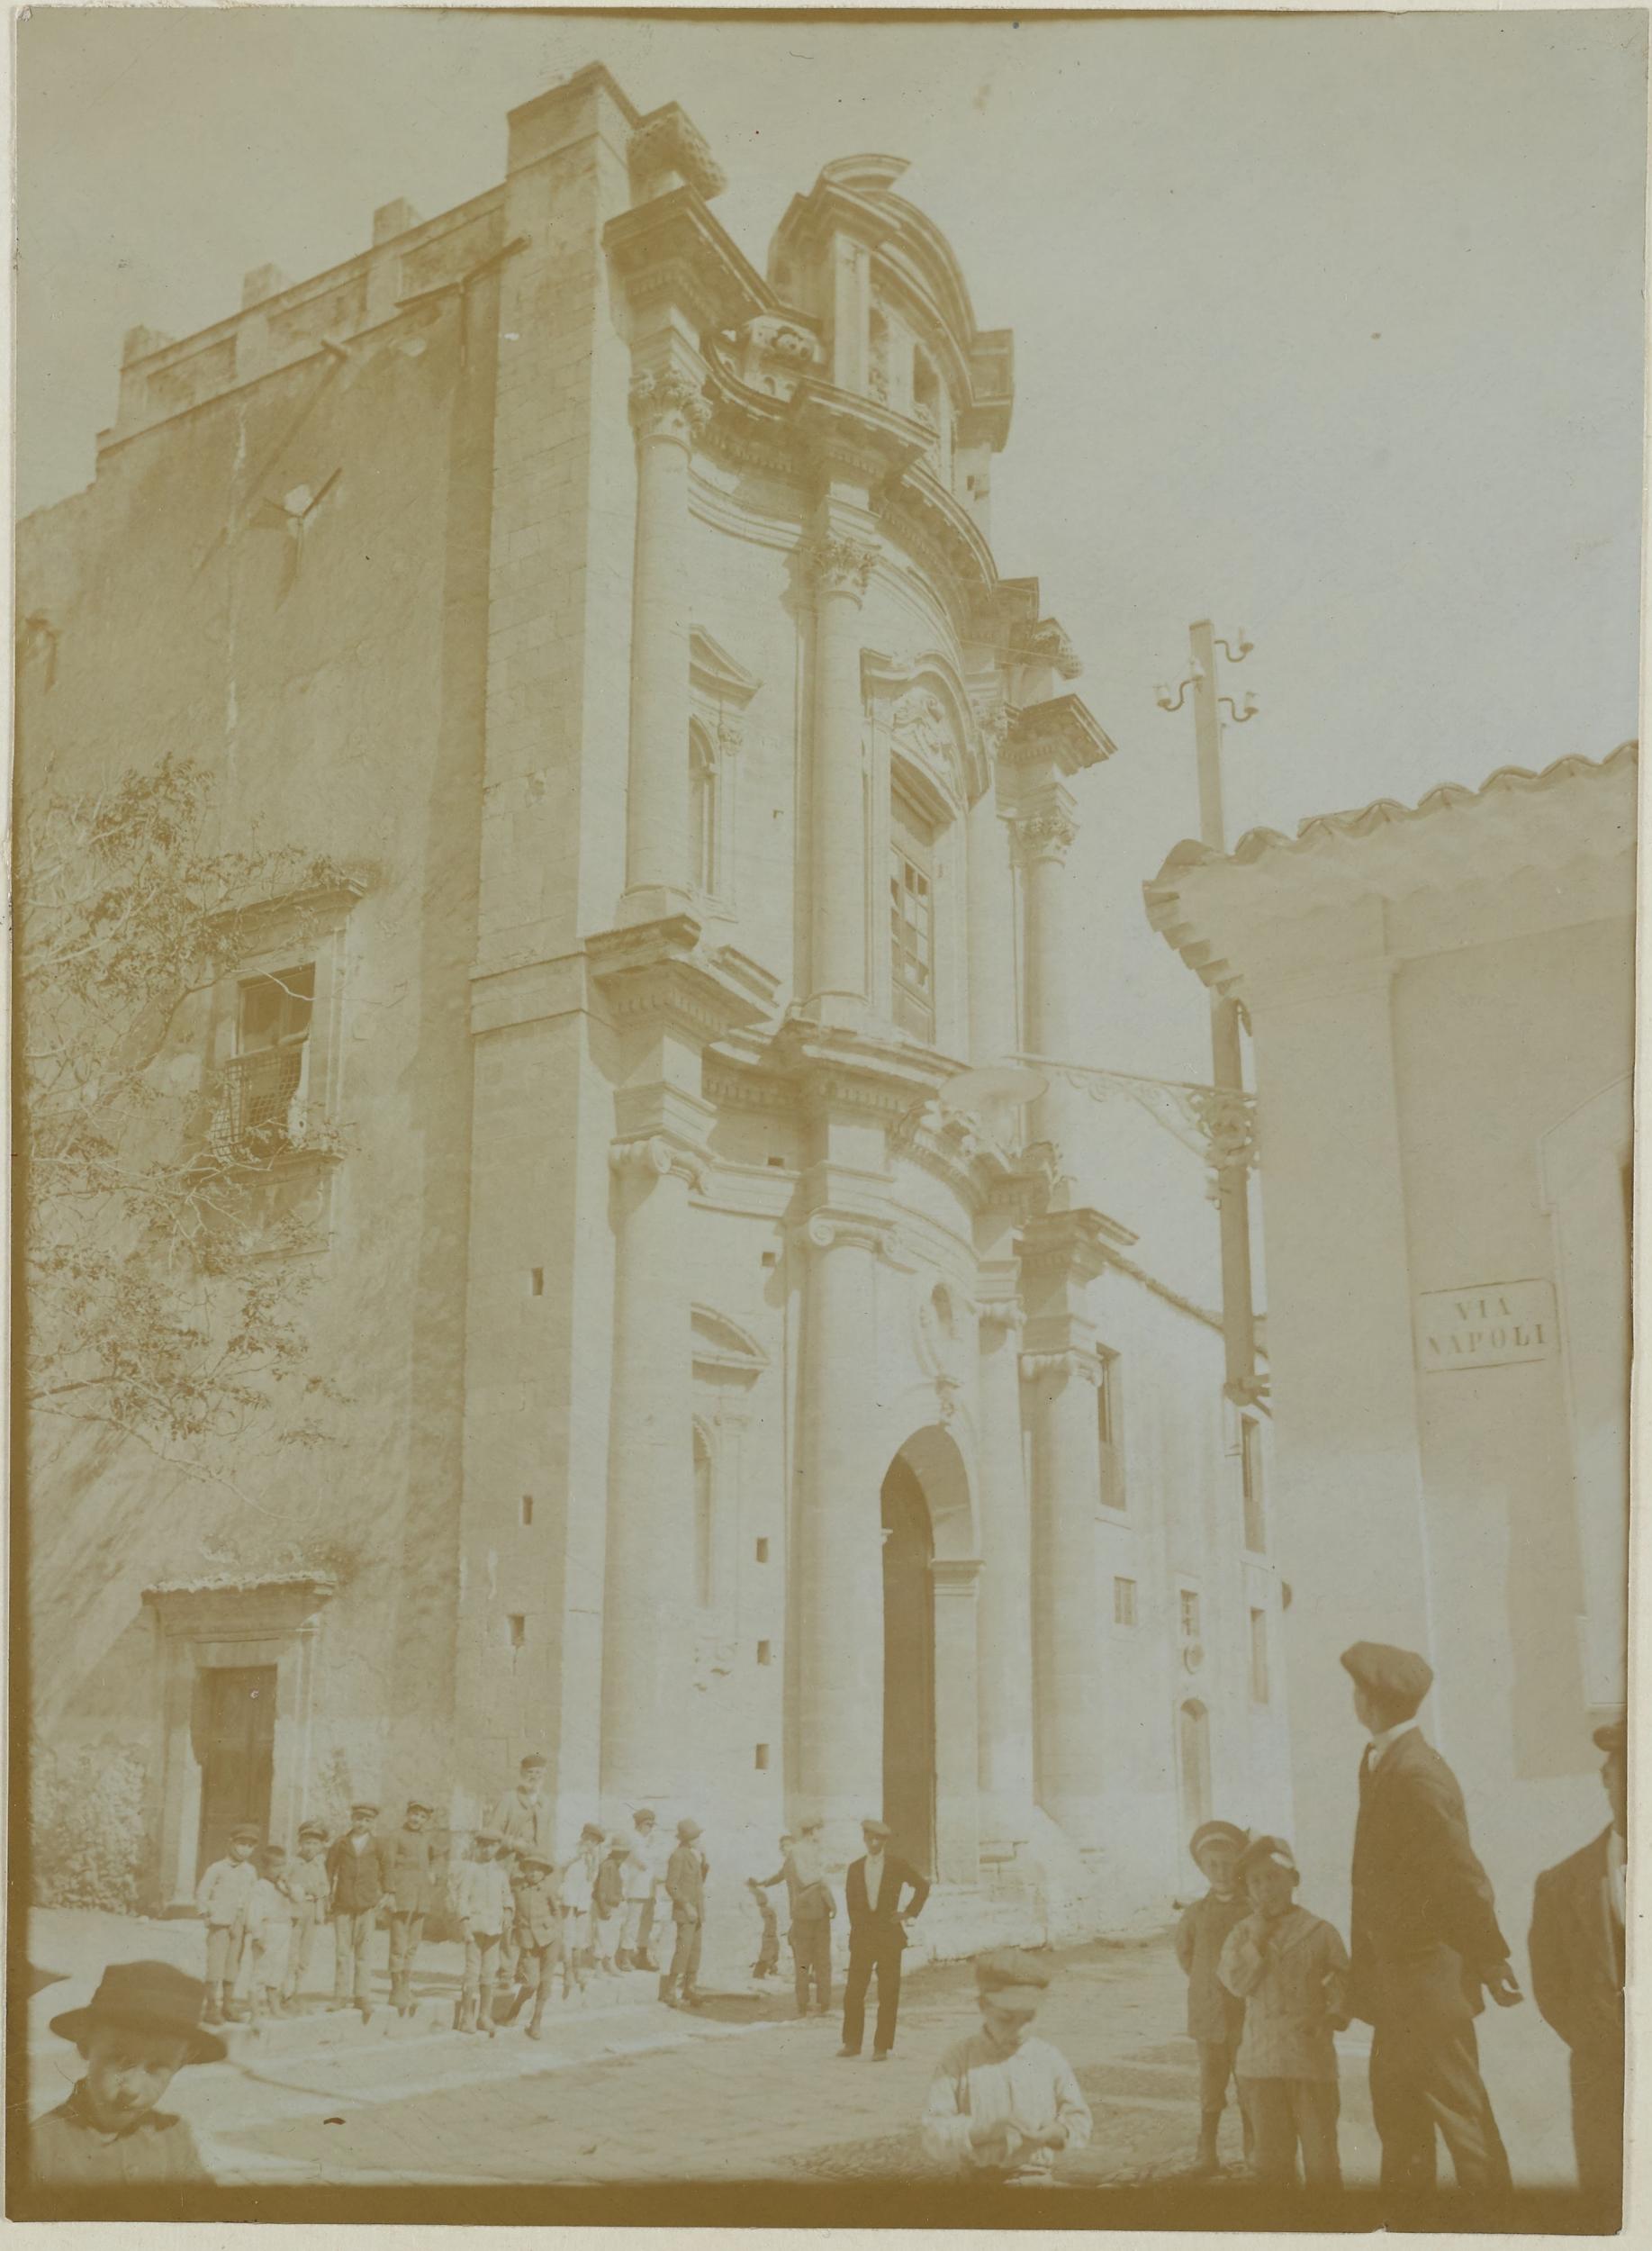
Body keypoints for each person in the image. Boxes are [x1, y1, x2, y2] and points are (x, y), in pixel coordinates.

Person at [1343, 1640, 1520, 2194]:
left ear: (1370, 1701)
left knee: (1464, 2126)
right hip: (1393, 1985)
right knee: (1398, 2124)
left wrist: (1491, 1957)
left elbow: (1459, 1876)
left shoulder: (1416, 1773)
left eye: (1357, 1690)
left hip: (1427, 1986)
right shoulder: (1381, 1761)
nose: (1354, 1698)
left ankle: (1503, 2231)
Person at [1529, 1716, 1627, 2198]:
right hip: (1602, 2079)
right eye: (1626, 1773)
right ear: (1605, 1781)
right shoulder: (1561, 1884)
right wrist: (1597, 2038)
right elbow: (1551, 1988)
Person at [1217, 1834, 1350, 2188]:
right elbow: (1236, 1984)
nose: (1266, 1888)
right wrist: (1256, 1942)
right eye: (1256, 1881)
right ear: (1248, 1891)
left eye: (1274, 1877)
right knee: (1272, 2163)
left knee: (1322, 2162)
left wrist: (1333, 2013)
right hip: (1260, 2063)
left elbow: (1343, 1982)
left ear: (1294, 1879)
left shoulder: (1320, 1932)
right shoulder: (1242, 1934)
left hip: (1309, 2059)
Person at [31, 1960, 221, 2186]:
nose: (132, 2089)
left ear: (180, 2063)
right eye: (119, 2061)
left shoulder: (175, 2139)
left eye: (156, 2068)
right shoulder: (36, 2148)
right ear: (85, 2044)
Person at [921, 1948, 1092, 2185]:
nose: (1019, 2030)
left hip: (1037, 2182)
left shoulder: (1048, 2057)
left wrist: (1053, 2133)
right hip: (978, 2188)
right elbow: (933, 2135)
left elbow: (1078, 2120)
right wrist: (987, 2129)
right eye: (1006, 2019)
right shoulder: (958, 2060)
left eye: (1028, 2019)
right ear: (982, 2005)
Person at [1174, 1818, 1254, 2176]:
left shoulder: (1254, 1910)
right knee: (1211, 2083)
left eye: (1228, 1863)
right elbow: (1187, 1956)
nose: (1221, 1872)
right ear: (1203, 1868)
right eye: (1213, 1865)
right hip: (1209, 2015)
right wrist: (1209, 1986)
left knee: (1250, 2082)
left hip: (1248, 2014)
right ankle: (1206, 2151)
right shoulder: (1196, 1914)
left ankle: (1257, 2151)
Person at [839, 1817, 929, 2061]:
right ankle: (852, 2042)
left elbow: (923, 1886)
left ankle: (881, 2046)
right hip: (863, 1939)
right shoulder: (855, 1868)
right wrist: (858, 1928)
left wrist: (908, 1913)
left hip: (889, 1937)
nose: (873, 1842)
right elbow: (850, 1903)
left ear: (885, 1841)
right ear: (864, 1839)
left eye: (878, 1839)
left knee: (888, 1992)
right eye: (870, 1838)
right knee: (854, 1991)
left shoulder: (897, 1865)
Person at [757, 1815, 836, 2015]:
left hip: (810, 1913)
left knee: (812, 1960)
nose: (822, 1834)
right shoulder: (802, 1852)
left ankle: (813, 2003)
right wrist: (824, 1876)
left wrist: (763, 1883)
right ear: (814, 1831)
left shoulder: (799, 1853)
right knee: (813, 1960)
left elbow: (780, 1875)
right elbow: (805, 1878)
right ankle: (813, 2003)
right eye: (820, 1829)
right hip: (810, 1914)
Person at [488, 1755, 552, 1995]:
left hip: (534, 1872)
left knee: (529, 1919)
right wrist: (514, 1844)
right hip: (511, 1868)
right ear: (522, 1772)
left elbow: (546, 1839)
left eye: (539, 1773)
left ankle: (523, 1969)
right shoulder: (509, 1799)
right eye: (530, 1772)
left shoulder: (546, 1802)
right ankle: (505, 1971)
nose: (534, 1777)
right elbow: (492, 1833)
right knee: (508, 1920)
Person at [327, 1800, 393, 2021]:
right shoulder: (341, 1843)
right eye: (358, 1819)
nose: (361, 1823)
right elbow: (329, 1869)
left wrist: (387, 1893)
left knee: (364, 1953)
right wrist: (328, 1895)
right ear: (351, 1819)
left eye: (367, 1820)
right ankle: (340, 1995)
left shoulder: (378, 1845)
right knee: (342, 1952)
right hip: (343, 1904)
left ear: (373, 1822)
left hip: (366, 1905)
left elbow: (386, 1869)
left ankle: (362, 1995)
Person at [194, 1822, 259, 2027]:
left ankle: (228, 2006)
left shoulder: (250, 1871)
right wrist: (206, 1914)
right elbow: (202, 1893)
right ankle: (212, 2007)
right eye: (241, 1844)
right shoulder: (217, 1868)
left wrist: (252, 1921)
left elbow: (254, 1896)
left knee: (233, 1964)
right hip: (220, 1922)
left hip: (239, 1923)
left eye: (250, 1845)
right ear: (230, 1843)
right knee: (216, 1964)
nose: (245, 1849)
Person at [454, 1825, 513, 2036]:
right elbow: (461, 1898)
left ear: (498, 1848)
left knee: (489, 1972)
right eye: (484, 1846)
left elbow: (507, 1895)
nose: (488, 1850)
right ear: (478, 1847)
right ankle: (467, 2017)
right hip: (475, 1928)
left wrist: (508, 1910)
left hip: (494, 1929)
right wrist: (464, 1922)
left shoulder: (500, 1872)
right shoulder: (470, 1870)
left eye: (492, 1846)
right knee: (472, 1971)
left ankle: (484, 2015)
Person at [384, 1798, 438, 2018]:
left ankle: (406, 1986)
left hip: (421, 1896)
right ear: (407, 1814)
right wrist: (389, 1892)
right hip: (401, 1895)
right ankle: (395, 1989)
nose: (417, 1819)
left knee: (413, 1944)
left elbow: (435, 1858)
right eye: (414, 1814)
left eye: (422, 1816)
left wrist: (433, 1872)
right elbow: (387, 1864)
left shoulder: (426, 1838)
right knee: (399, 1943)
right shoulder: (396, 1836)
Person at [506, 1841, 564, 2040]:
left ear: (544, 1873)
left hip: (550, 1940)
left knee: (545, 1982)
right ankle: (516, 2007)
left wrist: (556, 1930)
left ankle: (536, 2020)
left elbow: (557, 1912)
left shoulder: (548, 1889)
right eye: (530, 1869)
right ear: (525, 1870)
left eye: (538, 1870)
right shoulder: (517, 1887)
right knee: (531, 1983)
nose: (534, 1874)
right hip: (528, 1941)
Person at [244, 1844, 296, 2023]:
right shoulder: (261, 1886)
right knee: (262, 1970)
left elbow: (298, 1898)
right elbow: (254, 1913)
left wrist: (287, 1884)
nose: (280, 1870)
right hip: (267, 1931)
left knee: (278, 1970)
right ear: (264, 1868)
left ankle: (274, 2006)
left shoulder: (284, 1886)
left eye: (283, 1865)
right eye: (275, 1866)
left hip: (283, 1929)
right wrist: (257, 1935)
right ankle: (254, 2010)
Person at [284, 1821, 332, 2009]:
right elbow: (282, 1882)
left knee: (305, 1953)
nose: (311, 1847)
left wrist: (321, 1907)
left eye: (315, 1844)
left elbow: (324, 1887)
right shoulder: (293, 1862)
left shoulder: (319, 1865)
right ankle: (284, 1991)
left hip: (311, 1911)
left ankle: (296, 1990)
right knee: (291, 1951)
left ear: (321, 1846)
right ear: (300, 1843)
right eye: (307, 1843)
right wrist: (294, 1891)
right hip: (295, 1910)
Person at [662, 1818, 709, 2010]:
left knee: (694, 1951)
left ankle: (690, 1988)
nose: (699, 1839)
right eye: (696, 1836)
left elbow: (700, 1882)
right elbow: (671, 1885)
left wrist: (705, 1862)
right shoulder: (678, 1855)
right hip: (686, 1912)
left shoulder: (693, 1855)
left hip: (697, 1911)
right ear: (687, 1838)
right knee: (683, 1950)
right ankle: (671, 1991)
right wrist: (686, 1905)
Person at [560, 1823, 604, 1993]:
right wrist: (579, 1854)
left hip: (583, 1899)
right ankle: (567, 1970)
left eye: (595, 1842)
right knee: (568, 1935)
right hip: (569, 1897)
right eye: (590, 1839)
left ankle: (577, 1968)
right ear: (584, 1837)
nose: (592, 1844)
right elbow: (561, 1863)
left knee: (579, 1937)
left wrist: (593, 1862)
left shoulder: (593, 1856)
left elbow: (592, 1877)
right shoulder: (572, 1849)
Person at [619, 1807, 664, 1973]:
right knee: (632, 1923)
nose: (650, 1828)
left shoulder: (647, 1841)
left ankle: (642, 1955)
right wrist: (655, 1854)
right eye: (647, 1824)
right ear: (638, 1825)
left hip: (649, 1889)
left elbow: (657, 1860)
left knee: (646, 1924)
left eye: (652, 1825)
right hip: (636, 1889)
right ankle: (625, 1957)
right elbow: (643, 1862)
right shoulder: (634, 1840)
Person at [748, 1843, 786, 1979]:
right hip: (763, 1913)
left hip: (769, 1911)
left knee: (772, 1941)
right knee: (767, 1942)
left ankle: (770, 1966)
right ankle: (763, 1969)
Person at [593, 1834, 628, 1975]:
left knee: (613, 1936)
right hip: (606, 1906)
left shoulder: (617, 1866)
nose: (623, 1856)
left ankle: (610, 1962)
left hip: (615, 1906)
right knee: (602, 1936)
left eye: (625, 1853)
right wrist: (604, 1908)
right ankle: (598, 1966)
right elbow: (602, 1890)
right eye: (620, 1853)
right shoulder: (608, 1866)